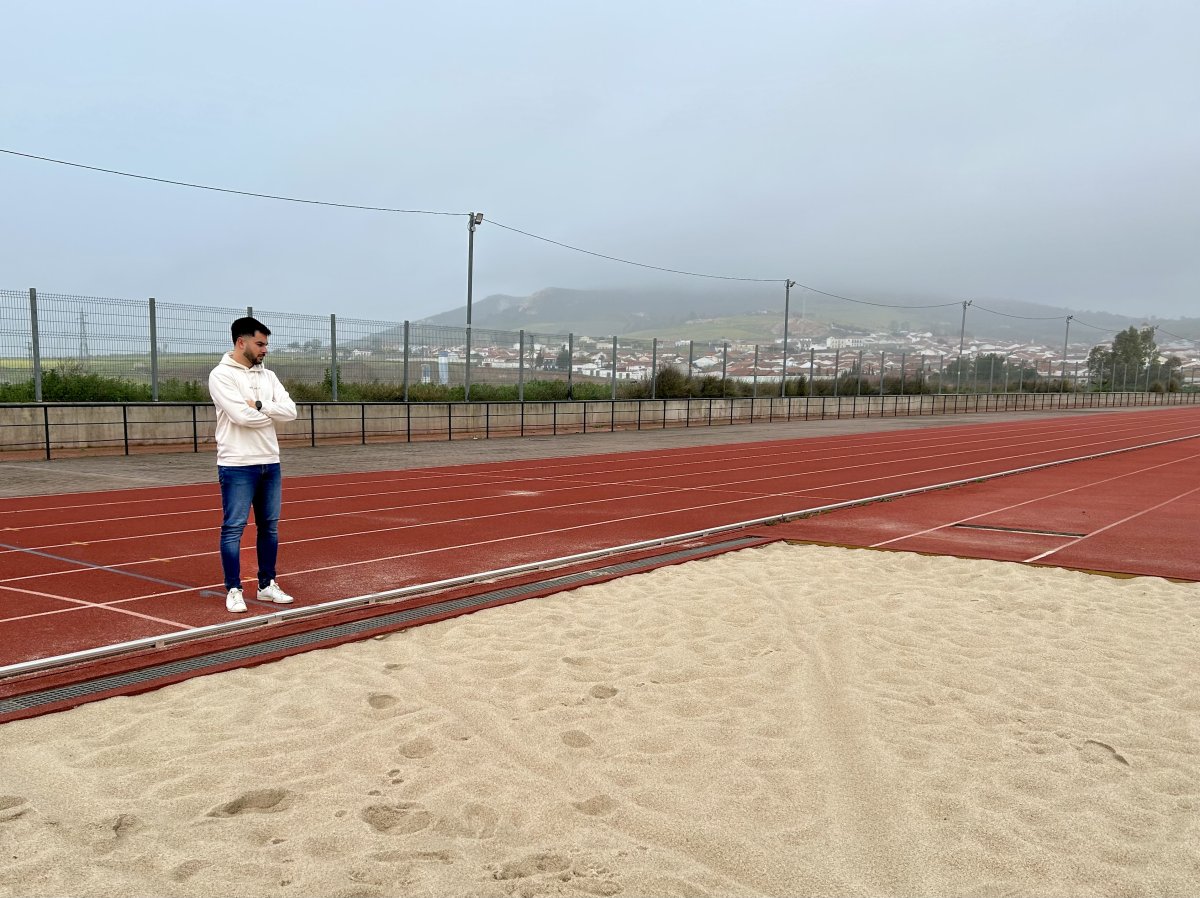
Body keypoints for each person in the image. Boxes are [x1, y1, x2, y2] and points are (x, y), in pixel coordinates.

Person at [208, 316, 298, 613]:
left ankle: (266, 585)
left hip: (270, 462)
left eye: (266, 344)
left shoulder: (268, 377)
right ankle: (234, 589)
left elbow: (291, 412)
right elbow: (240, 417)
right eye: (260, 344)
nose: (265, 350)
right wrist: (271, 415)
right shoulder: (221, 375)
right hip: (237, 464)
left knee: (269, 527)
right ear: (241, 342)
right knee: (233, 528)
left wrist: (260, 406)